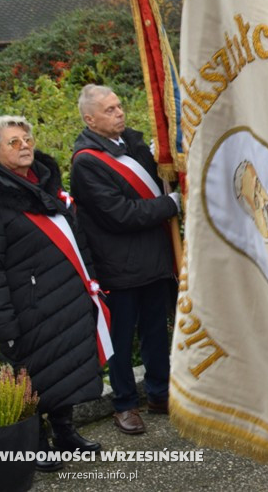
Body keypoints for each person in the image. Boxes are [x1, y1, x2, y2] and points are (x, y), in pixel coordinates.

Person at [0, 115, 103, 472]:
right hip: (27, 306)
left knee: (62, 367)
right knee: (32, 376)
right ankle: (35, 443)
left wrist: (91, 283)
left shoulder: (47, 184)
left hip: (65, 297)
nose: (24, 146)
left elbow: (77, 239)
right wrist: (2, 322)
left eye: (27, 139)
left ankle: (66, 433)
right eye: (13, 142)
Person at [70, 84, 180, 436]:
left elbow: (156, 182)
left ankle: (160, 394)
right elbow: (121, 214)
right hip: (119, 266)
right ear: (90, 119)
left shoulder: (132, 143)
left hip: (154, 258)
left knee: (155, 332)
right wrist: (172, 204)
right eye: (109, 110)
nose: (119, 113)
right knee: (121, 339)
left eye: (119, 106)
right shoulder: (87, 162)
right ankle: (124, 404)